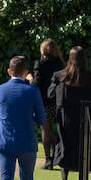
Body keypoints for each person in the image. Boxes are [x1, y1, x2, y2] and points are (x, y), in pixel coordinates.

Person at [0, 55, 46, 180]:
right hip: (26, 142)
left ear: (9, 71)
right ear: (26, 72)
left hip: (5, 141)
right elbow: (42, 118)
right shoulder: (32, 91)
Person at [49, 45, 91, 180]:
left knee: (65, 147)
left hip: (65, 119)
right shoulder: (90, 78)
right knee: (83, 151)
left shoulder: (60, 76)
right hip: (83, 119)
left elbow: (50, 95)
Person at [32, 38, 64, 169]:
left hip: (44, 102)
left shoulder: (39, 64)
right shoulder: (61, 64)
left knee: (46, 129)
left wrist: (29, 78)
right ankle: (58, 155)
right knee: (58, 129)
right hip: (59, 101)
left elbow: (36, 83)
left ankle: (48, 159)